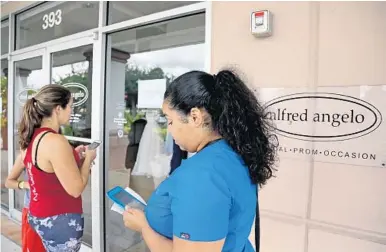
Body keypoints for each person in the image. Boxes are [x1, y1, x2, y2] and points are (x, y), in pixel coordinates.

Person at [122, 69, 278, 252]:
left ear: (195, 117)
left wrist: (144, 227)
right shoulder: (233, 155)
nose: (170, 131)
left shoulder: (202, 176)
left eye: (170, 121)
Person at [17, 84, 97, 251]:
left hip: (39, 214)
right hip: (60, 219)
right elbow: (76, 189)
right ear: (57, 109)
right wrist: (88, 159)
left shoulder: (32, 137)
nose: (71, 111)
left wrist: (73, 155)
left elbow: (47, 170)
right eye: (70, 106)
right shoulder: (55, 141)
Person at [5, 154, 45, 252]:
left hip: (56, 212)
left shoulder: (56, 152)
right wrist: (25, 185)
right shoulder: (25, 155)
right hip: (33, 212)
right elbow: (8, 182)